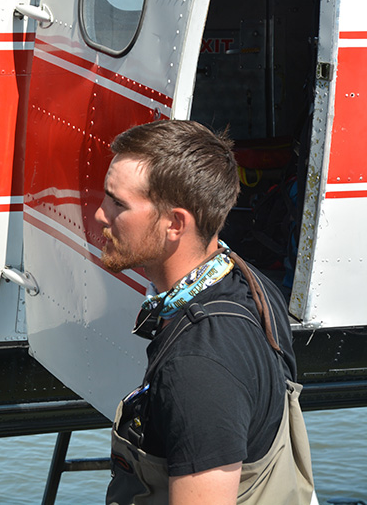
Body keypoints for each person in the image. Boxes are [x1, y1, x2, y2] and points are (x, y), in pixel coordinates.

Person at [95, 120, 314, 505]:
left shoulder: (198, 367)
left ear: (175, 224)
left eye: (118, 204)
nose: (100, 215)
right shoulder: (249, 281)